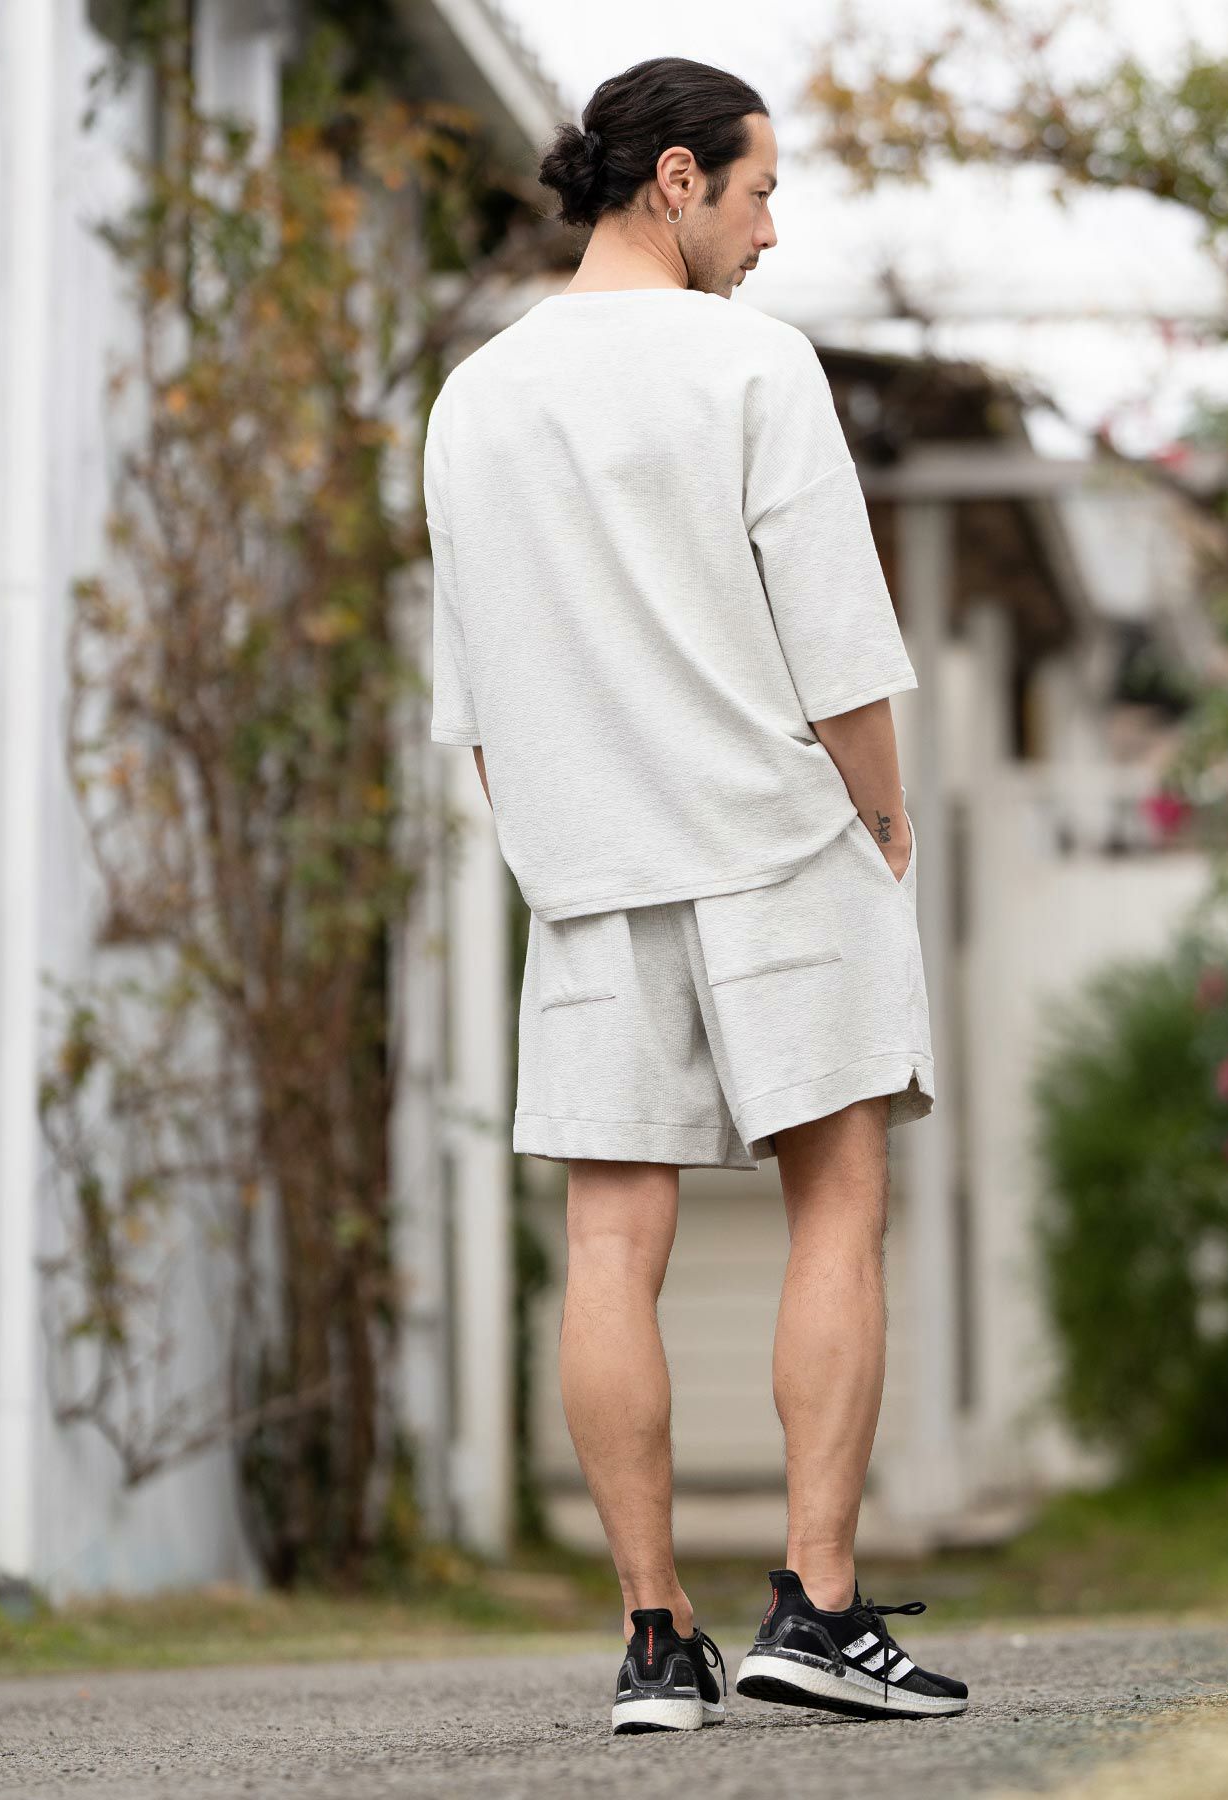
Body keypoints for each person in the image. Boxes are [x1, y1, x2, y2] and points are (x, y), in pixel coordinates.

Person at [423, 54, 969, 1734]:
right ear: (676, 181)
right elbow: (839, 640)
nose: (771, 229)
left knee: (609, 1239)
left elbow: (479, 701)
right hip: (775, 844)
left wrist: (562, 845)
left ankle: (655, 1640)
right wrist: (884, 820)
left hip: (590, 869)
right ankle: (817, 1607)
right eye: (759, 192)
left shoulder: (474, 399)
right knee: (837, 1204)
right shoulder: (751, 363)